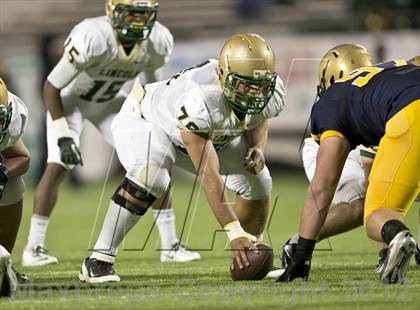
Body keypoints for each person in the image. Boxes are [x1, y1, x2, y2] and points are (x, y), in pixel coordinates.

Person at [78, 33, 286, 284]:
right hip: (147, 120)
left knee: (259, 180)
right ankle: (99, 259)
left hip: (203, 135)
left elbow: (259, 115)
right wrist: (232, 232)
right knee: (152, 176)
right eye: (245, 84)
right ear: (223, 75)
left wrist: (258, 147)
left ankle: (250, 253)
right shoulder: (201, 97)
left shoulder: (269, 93)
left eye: (260, 86)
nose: (254, 93)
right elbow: (208, 174)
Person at [22, 0, 200, 267]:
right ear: (112, 12)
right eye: (131, 14)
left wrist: (158, 124)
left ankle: (170, 245)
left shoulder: (157, 40)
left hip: (109, 102)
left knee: (154, 156)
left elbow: (153, 87)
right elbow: (51, 87)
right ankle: (33, 248)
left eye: (144, 15)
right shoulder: (93, 36)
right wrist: (63, 134)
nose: (137, 22)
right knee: (58, 164)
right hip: (70, 99)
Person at [277, 58, 420, 284]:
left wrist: (302, 252)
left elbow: (323, 185)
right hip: (406, 104)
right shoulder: (387, 74)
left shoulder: (329, 106)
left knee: (376, 214)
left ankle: (397, 237)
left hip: (411, 112)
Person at [0, 78, 31, 296]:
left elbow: (22, 157)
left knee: (12, 184)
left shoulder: (12, 119)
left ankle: (4, 263)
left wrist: (2, 173)